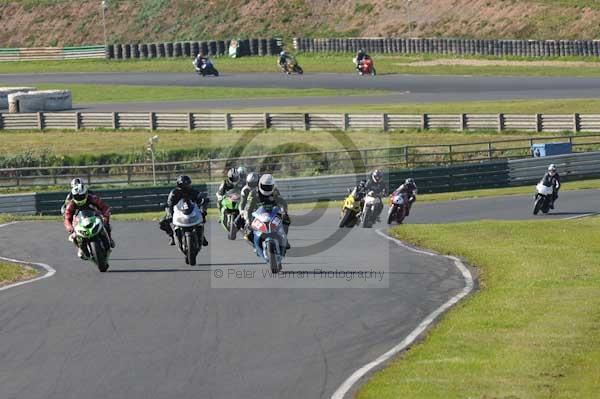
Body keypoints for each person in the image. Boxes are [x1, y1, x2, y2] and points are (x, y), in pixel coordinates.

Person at [63, 182, 115, 260]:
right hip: (79, 221)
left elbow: (104, 207)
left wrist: (105, 216)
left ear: (86, 194)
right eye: (77, 197)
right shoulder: (71, 204)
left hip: (94, 217)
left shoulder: (93, 198)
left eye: (81, 196)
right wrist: (70, 228)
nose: (79, 198)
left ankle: (109, 239)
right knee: (73, 236)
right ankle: (80, 248)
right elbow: (67, 218)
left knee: (106, 225)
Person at [159, 175, 209, 246]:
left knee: (202, 218)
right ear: (181, 184)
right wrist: (170, 214)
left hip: (192, 212)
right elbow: (169, 204)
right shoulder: (174, 193)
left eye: (189, 183)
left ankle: (201, 236)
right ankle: (172, 236)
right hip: (178, 214)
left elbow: (201, 199)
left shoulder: (193, 191)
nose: (189, 185)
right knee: (162, 222)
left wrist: (203, 208)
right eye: (187, 184)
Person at [244, 174, 290, 249]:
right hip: (258, 214)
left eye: (269, 186)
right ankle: (256, 245)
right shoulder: (253, 193)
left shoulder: (275, 192)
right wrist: (248, 220)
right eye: (265, 186)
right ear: (260, 184)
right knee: (248, 234)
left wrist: (284, 212)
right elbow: (248, 208)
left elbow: (283, 203)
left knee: (286, 219)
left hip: (273, 213)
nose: (267, 188)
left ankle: (284, 239)